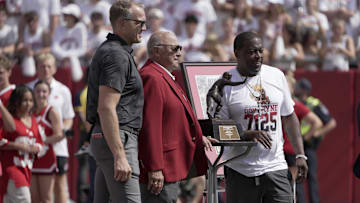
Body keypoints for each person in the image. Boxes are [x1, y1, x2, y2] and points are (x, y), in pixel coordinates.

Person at [218, 31, 308, 203]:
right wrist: (246, 134)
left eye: (260, 51)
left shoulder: (276, 75)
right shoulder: (224, 83)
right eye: (251, 52)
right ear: (237, 53)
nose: (258, 56)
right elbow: (218, 128)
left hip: (276, 167)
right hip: (241, 170)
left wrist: (300, 154)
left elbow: (289, 116)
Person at [138, 30, 216, 202]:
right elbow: (151, 126)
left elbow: (173, 119)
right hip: (162, 169)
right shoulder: (152, 77)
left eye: (180, 48)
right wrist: (155, 167)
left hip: (172, 165)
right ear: (156, 51)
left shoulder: (162, 75)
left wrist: (197, 135)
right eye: (174, 48)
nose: (179, 53)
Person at [86, 1, 146, 202]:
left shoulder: (116, 51)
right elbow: (106, 107)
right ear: (122, 24)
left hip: (111, 138)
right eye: (139, 23)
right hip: (117, 138)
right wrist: (120, 155)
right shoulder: (116, 54)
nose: (144, 28)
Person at [27, 53, 75, 203]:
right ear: (36, 68)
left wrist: (59, 133)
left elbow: (68, 118)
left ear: (54, 68)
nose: (46, 70)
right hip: (33, 148)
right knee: (34, 190)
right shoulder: (28, 88)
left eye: (49, 66)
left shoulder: (63, 90)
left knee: (60, 186)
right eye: (42, 66)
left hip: (58, 147)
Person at [294, 78, 337, 203]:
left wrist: (316, 133)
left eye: (298, 87)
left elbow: (331, 123)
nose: (295, 89)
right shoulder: (294, 102)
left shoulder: (313, 104)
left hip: (308, 145)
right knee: (298, 177)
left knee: (311, 177)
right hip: (296, 144)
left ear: (304, 90)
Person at [0, 85, 43, 203]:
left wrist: (35, 148)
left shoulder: (32, 119)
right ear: (16, 101)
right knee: (24, 200)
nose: (28, 104)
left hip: (27, 168)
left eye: (30, 100)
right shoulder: (9, 120)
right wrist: (17, 146)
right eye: (25, 100)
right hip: (12, 168)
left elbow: (40, 142)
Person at [30, 80, 63, 203]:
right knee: (33, 198)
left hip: (47, 159)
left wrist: (41, 141)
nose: (41, 94)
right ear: (34, 93)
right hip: (31, 159)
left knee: (46, 198)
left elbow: (59, 135)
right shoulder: (30, 111)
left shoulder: (51, 111)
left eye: (44, 91)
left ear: (49, 93)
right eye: (38, 91)